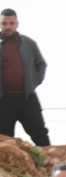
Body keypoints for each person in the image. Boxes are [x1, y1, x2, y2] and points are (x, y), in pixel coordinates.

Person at [0, 9, 48, 146]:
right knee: (4, 141)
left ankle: (46, 160)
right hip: (3, 102)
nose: (8, 27)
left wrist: (34, 81)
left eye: (11, 23)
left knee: (40, 135)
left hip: (27, 98)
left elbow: (41, 64)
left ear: (17, 24)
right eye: (4, 23)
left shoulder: (28, 43)